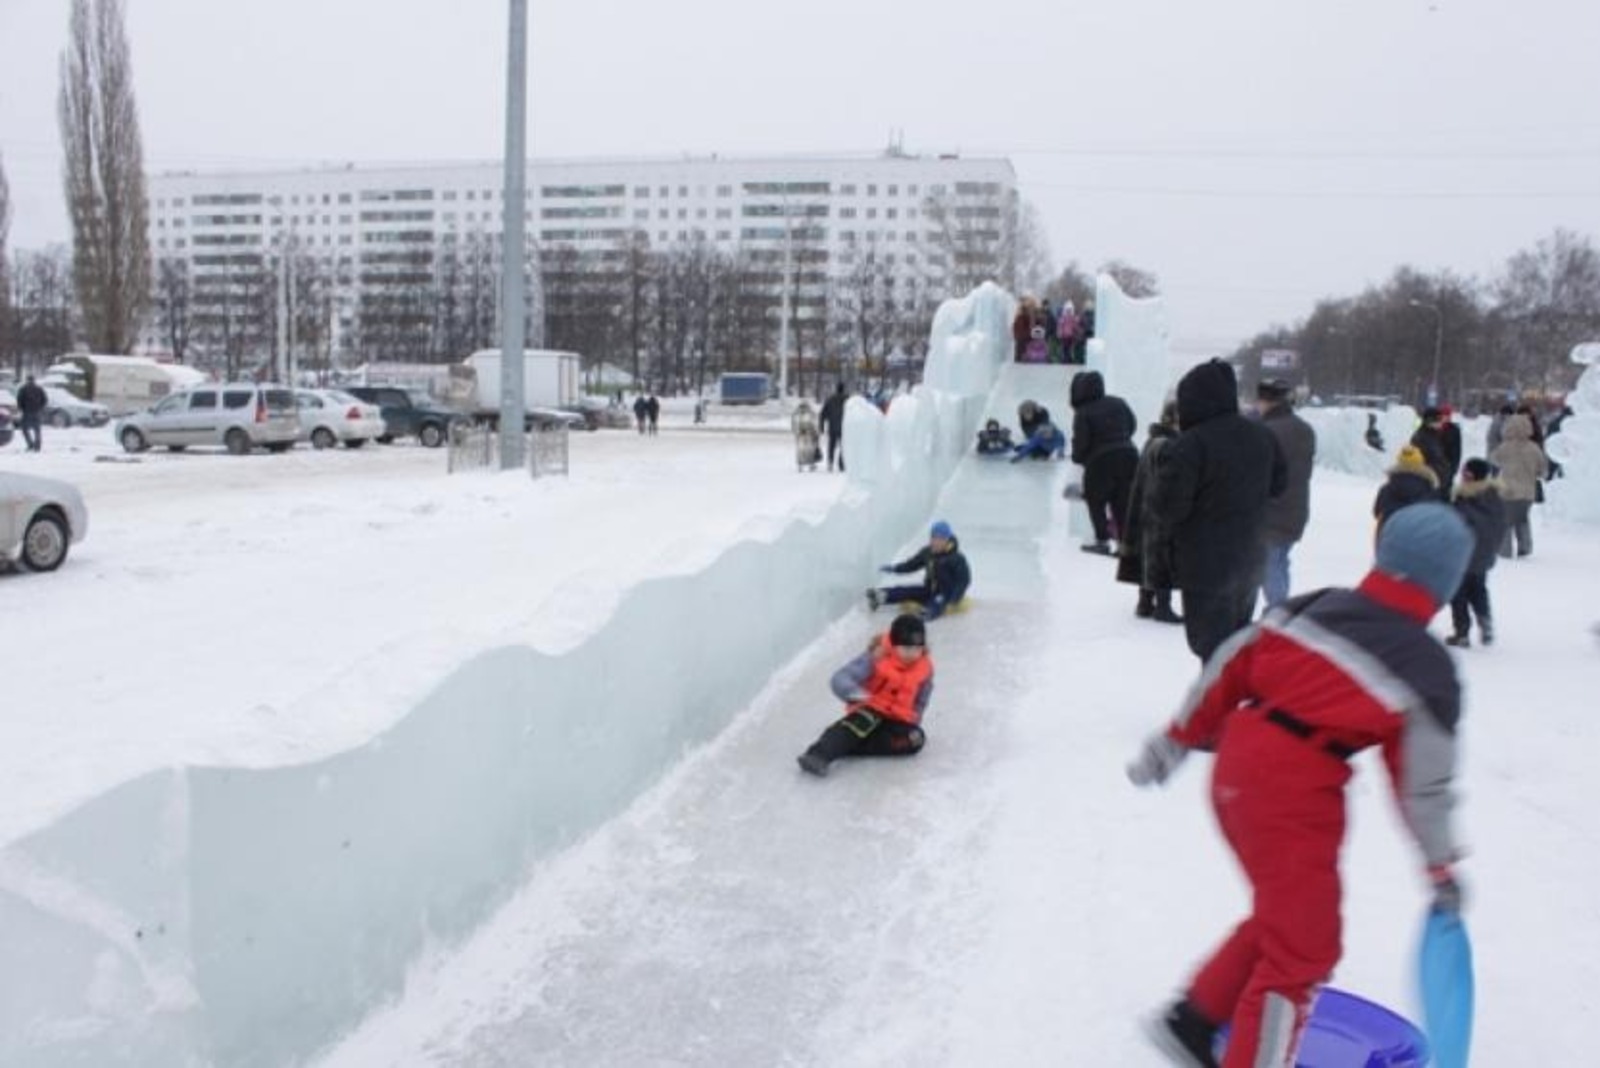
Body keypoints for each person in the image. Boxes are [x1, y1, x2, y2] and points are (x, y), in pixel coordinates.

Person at [1128, 502, 1474, 1068]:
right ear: (1446, 581)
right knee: (1305, 949)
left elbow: (1230, 661)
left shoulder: (1318, 605)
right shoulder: (1426, 669)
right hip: (1292, 791)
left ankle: (1193, 1020)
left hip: (1240, 767)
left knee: (1285, 917)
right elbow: (1423, 785)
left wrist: (1178, 738)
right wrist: (1440, 866)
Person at [1151, 359, 1286, 663]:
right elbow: (1280, 485)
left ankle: (1216, 707)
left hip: (1204, 565)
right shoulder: (1263, 436)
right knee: (1236, 646)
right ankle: (1232, 704)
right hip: (1250, 556)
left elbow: (1168, 507)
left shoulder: (1190, 445)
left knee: (1210, 649)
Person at [796, 613, 934, 777]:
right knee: (862, 723)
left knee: (915, 739)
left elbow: (922, 698)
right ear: (894, 644)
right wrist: (859, 695)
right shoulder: (877, 657)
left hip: (897, 719)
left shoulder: (925, 668)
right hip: (870, 710)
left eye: (917, 649)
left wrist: (915, 718)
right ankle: (819, 754)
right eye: (906, 649)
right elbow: (840, 678)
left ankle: (846, 744)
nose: (912, 654)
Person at [1116, 400, 1182, 623]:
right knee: (1162, 554)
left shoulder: (1153, 441)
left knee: (1147, 554)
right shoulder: (1169, 445)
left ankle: (1145, 602)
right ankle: (1163, 606)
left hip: (1145, 507)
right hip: (1158, 511)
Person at [1254, 380, 1317, 608]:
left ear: (1265, 402)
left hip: (1271, 509)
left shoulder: (1266, 431)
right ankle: (1281, 609)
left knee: (1270, 564)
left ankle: (1278, 612)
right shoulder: (1305, 429)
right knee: (1280, 561)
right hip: (1296, 507)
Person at [1069, 369, 1139, 554]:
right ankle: (1125, 545)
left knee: (1096, 501)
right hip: (1129, 454)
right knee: (1123, 501)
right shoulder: (1118, 402)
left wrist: (1078, 457)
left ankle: (1102, 540)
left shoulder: (1083, 412)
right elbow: (1132, 425)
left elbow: (1081, 441)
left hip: (1100, 460)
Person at [1447, 458, 1507, 648]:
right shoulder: (1494, 497)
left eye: (1466, 472)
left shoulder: (1465, 498)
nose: (1463, 475)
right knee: (1478, 589)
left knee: (1458, 592)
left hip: (1462, 552)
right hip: (1484, 554)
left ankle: (1462, 632)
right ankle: (1485, 620)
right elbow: (1499, 525)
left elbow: (1460, 521)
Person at [866, 520, 971, 620]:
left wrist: (955, 597)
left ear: (947, 540)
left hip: (946, 593)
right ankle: (880, 596)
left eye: (940, 539)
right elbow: (911, 565)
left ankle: (927, 613)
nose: (935, 542)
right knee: (906, 591)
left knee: (938, 602)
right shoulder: (927, 552)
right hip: (929, 589)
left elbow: (964, 580)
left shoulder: (956, 558)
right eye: (933, 537)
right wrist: (895, 568)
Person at [1488, 411, 1547, 558]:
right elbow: (1543, 471)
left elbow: (1493, 459)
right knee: (1522, 518)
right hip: (1528, 492)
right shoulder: (1534, 448)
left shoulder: (1505, 447)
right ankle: (1525, 547)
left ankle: (1505, 550)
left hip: (1508, 491)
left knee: (1506, 521)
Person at [1372, 444, 1439, 530]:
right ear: (1420, 462)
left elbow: (1377, 513)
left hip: (1390, 536)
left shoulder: (1386, 489)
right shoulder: (1429, 491)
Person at [1410, 408, 1454, 501]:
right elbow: (1419, 462)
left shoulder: (1434, 436)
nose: (1440, 423)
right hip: (1428, 485)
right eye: (1438, 420)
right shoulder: (1420, 438)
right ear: (1429, 421)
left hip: (1439, 483)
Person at [819, 382, 848, 472]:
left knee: (831, 445)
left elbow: (823, 414)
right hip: (844, 428)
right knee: (843, 446)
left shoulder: (830, 399)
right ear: (843, 389)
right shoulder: (848, 400)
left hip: (832, 427)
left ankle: (830, 462)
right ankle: (841, 464)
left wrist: (821, 427)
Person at [16, 375, 47, 453]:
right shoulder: (39, 389)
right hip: (37, 412)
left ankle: (30, 444)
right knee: (37, 430)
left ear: (27, 380)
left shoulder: (23, 389)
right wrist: (40, 407)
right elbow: (45, 399)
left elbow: (19, 400)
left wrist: (22, 409)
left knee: (24, 429)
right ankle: (37, 446)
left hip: (27, 412)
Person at [792, 401, 822, 471]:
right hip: (808, 433)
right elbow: (814, 424)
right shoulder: (811, 414)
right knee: (809, 449)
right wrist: (816, 433)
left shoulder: (796, 414)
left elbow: (794, 425)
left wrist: (796, 432)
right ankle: (810, 464)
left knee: (801, 449)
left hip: (801, 434)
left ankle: (801, 464)